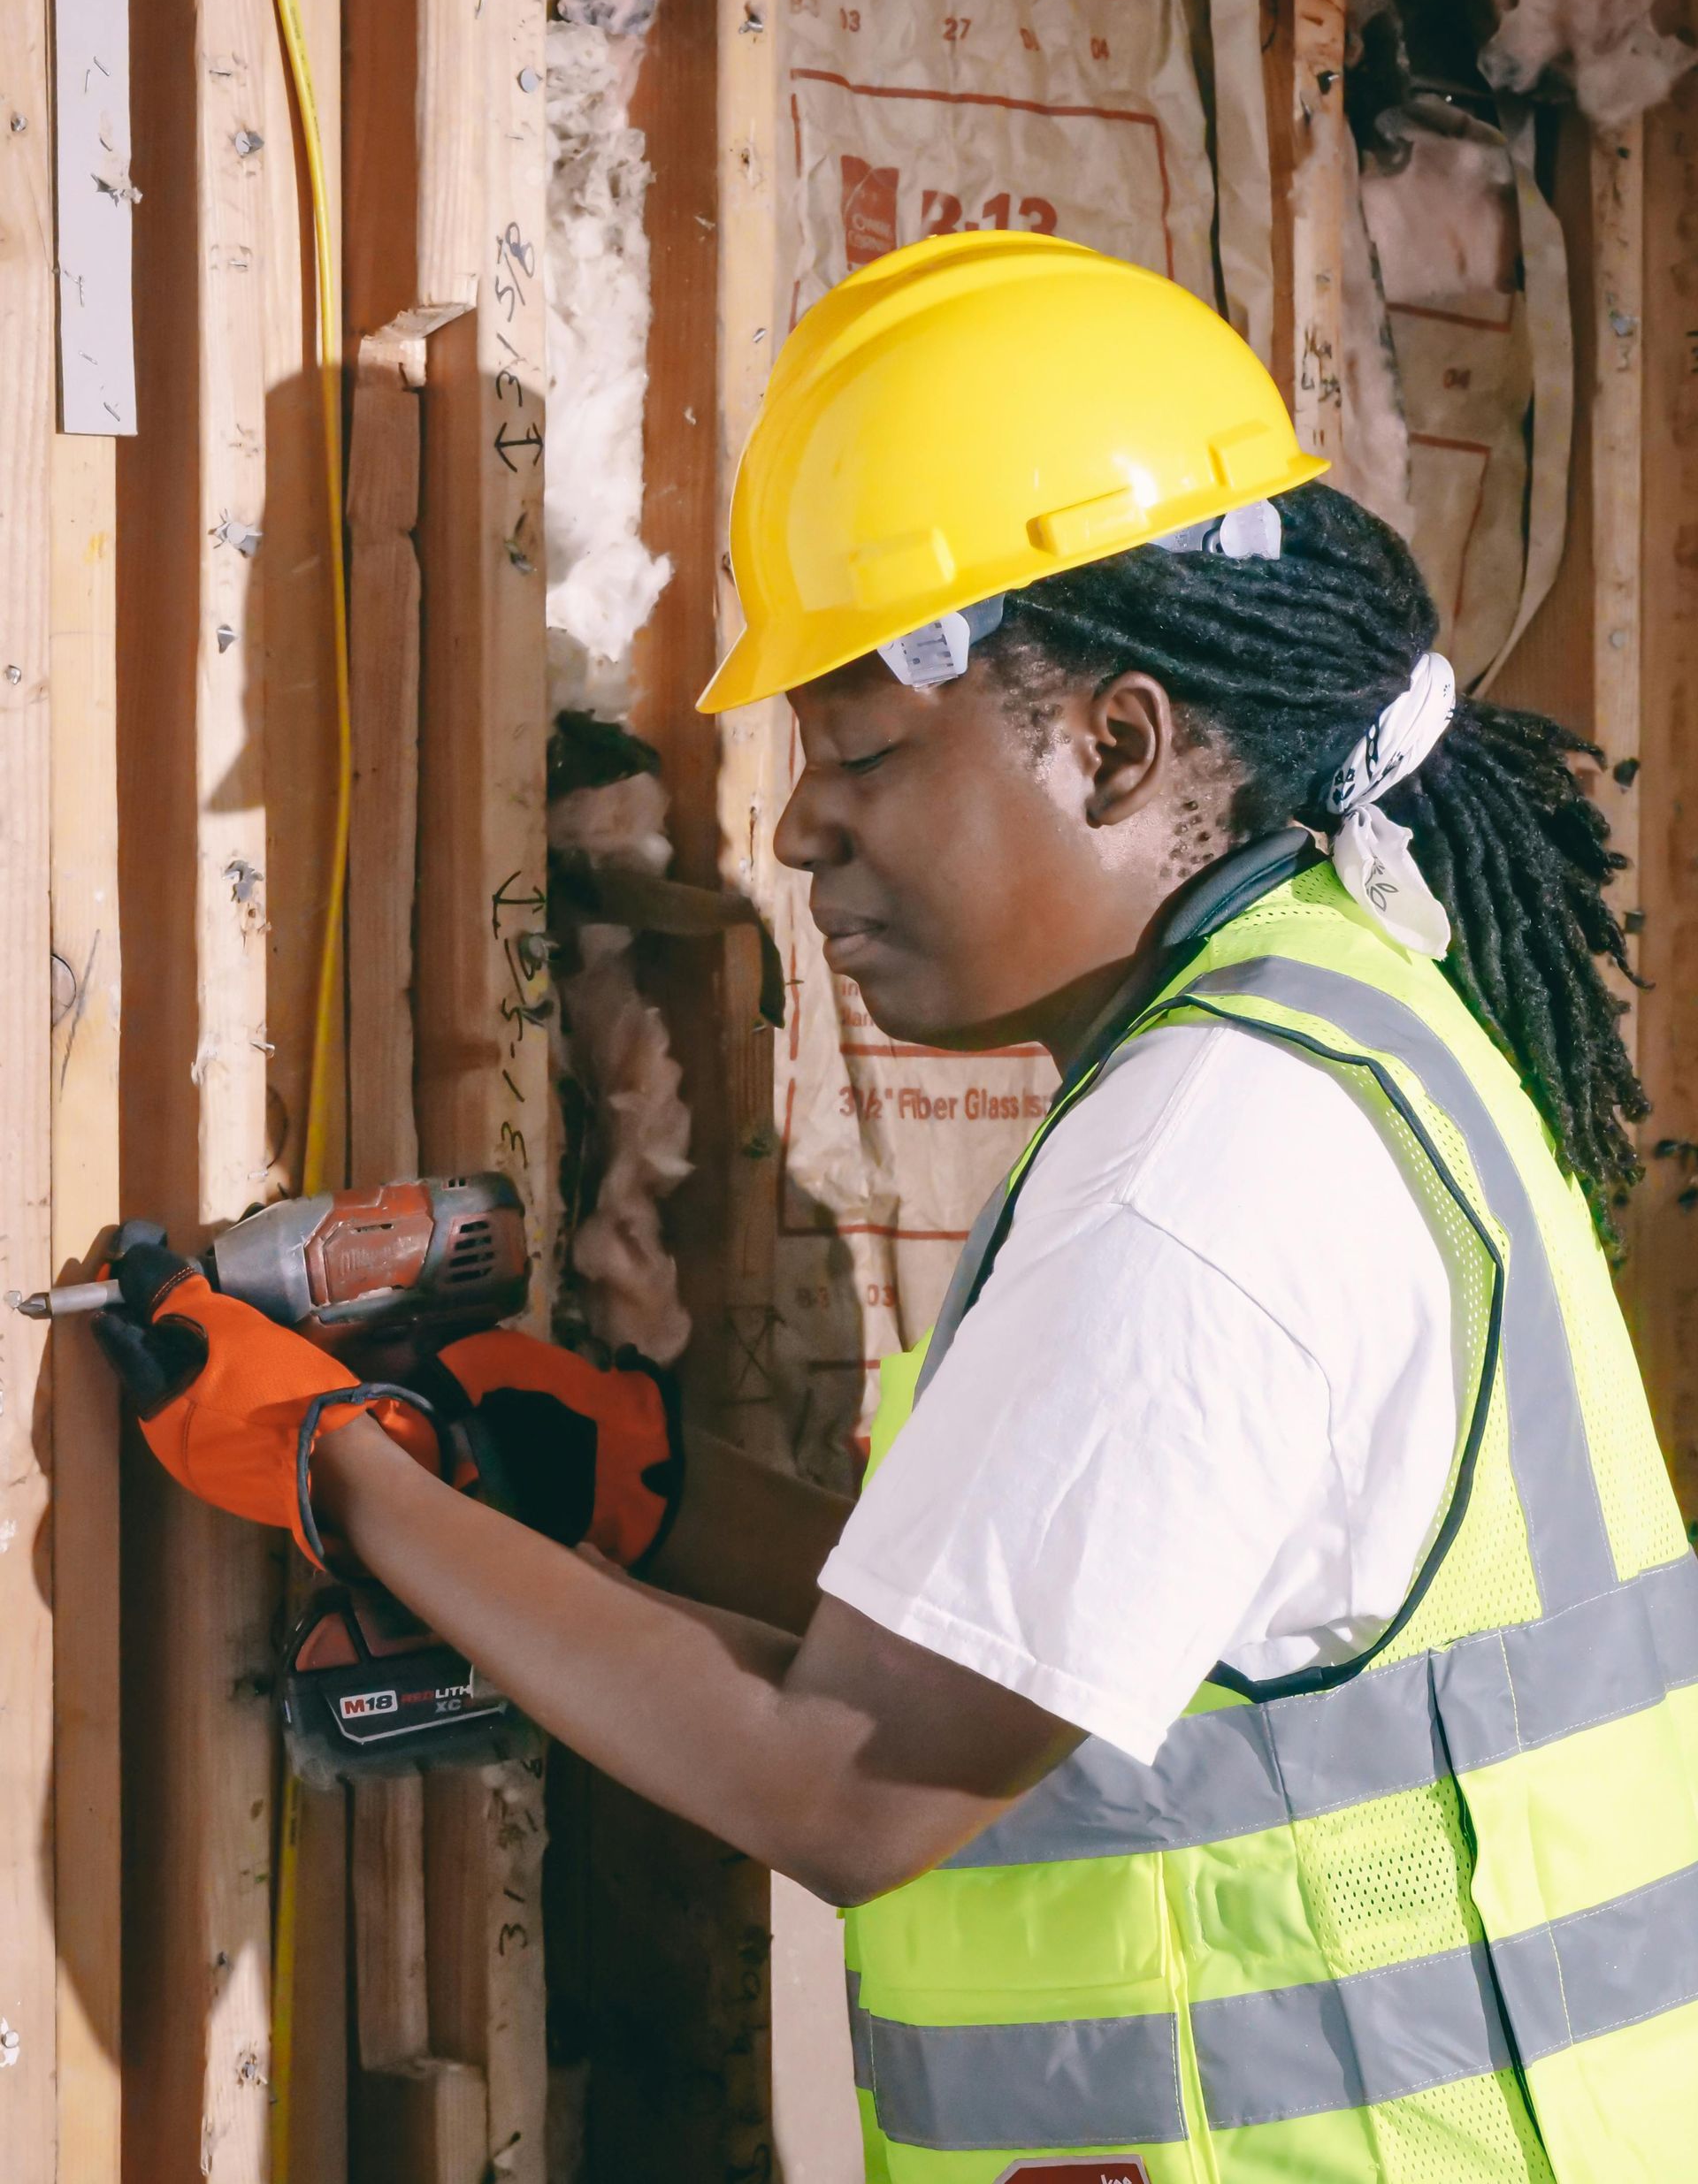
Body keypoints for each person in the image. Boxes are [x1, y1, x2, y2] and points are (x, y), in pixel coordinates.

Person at [99, 233, 1698, 2182]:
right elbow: (1062, 1624)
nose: (794, 825)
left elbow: (848, 1772)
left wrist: (342, 1466)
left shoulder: (1212, 1159)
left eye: (863, 750)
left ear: (1117, 744)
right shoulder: (1328, 1026)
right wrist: (651, 1487)